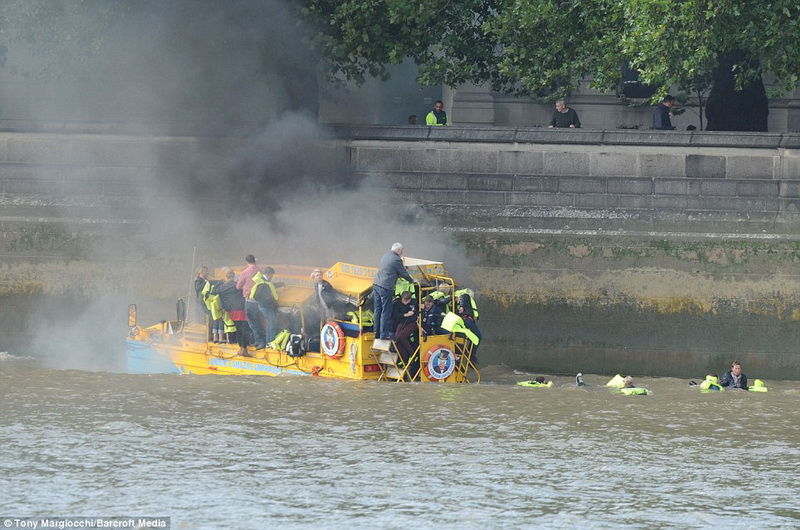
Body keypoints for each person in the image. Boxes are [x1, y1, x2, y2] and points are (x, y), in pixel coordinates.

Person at [373, 242, 414, 341]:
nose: (402, 252)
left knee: (377, 310)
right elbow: (403, 273)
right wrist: (412, 280)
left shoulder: (385, 256)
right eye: (402, 250)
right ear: (398, 250)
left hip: (376, 284)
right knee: (385, 311)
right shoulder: (396, 259)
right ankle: (383, 335)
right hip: (385, 287)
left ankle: (376, 333)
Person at [215, 268, 251, 356]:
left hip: (231, 311)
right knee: (246, 329)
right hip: (241, 309)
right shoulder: (237, 285)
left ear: (226, 277)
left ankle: (240, 349)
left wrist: (220, 282)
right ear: (233, 276)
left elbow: (215, 291)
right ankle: (244, 349)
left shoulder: (222, 287)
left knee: (238, 330)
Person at [250, 266, 280, 347]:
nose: (272, 277)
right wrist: (269, 299)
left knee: (271, 323)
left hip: (263, 305)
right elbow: (262, 295)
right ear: (267, 273)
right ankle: (270, 342)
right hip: (265, 306)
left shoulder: (263, 281)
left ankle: (269, 341)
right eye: (271, 275)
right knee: (272, 323)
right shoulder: (264, 283)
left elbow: (272, 286)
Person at [236, 254, 260, 348]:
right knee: (258, 321)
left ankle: (256, 340)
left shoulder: (245, 272)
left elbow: (238, 286)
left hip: (250, 300)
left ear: (246, 262)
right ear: (255, 260)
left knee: (252, 322)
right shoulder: (259, 271)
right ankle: (260, 340)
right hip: (259, 299)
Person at [392, 291, 418, 374]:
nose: (405, 303)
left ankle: (412, 355)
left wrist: (414, 314)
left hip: (412, 323)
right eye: (404, 301)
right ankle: (403, 358)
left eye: (407, 301)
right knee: (396, 339)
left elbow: (417, 311)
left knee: (402, 337)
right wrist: (405, 315)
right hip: (402, 322)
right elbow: (395, 315)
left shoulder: (414, 302)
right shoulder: (397, 304)